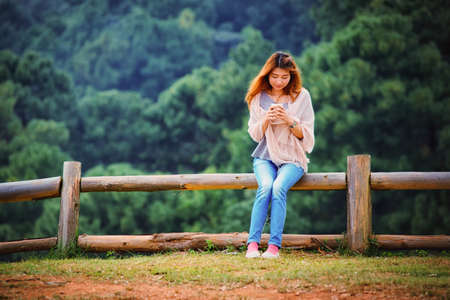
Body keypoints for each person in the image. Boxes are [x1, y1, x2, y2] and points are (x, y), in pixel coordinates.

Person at [245, 51, 315, 259]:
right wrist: (267, 118)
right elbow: (256, 135)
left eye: (284, 77)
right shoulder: (257, 97)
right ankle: (252, 245)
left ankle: (274, 247)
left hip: (293, 158)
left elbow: (307, 137)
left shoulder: (302, 96)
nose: (279, 81)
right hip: (265, 156)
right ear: (267, 74)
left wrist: (289, 119)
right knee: (265, 187)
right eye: (275, 76)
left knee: (278, 188)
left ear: (292, 76)